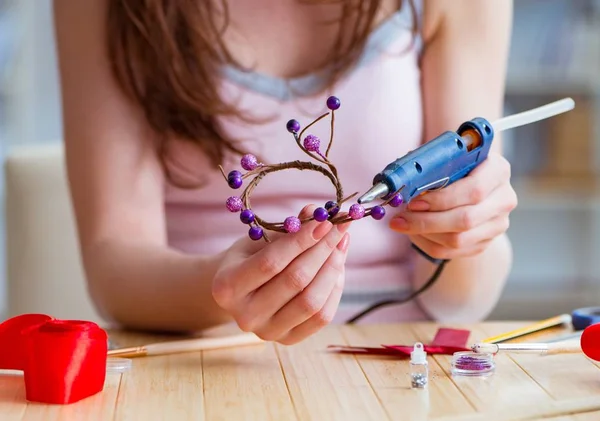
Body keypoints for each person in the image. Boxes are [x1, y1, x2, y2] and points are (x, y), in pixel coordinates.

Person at [53, 0, 517, 344]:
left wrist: (467, 232)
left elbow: (461, 299)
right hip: (198, 357)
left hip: (398, 357)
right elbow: (114, 268)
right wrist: (225, 288)